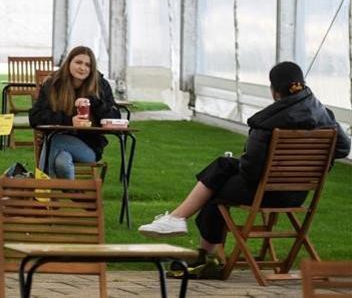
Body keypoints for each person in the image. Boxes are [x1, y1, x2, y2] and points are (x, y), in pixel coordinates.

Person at [138, 61, 350, 278]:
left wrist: (241, 162)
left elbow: (251, 172)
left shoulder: (268, 121)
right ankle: (196, 246)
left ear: (274, 91)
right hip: (297, 195)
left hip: (265, 193)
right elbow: (343, 148)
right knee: (222, 172)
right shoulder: (325, 117)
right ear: (302, 85)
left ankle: (193, 241)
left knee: (215, 185)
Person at [27, 45, 120, 179]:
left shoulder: (100, 85)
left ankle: (44, 190)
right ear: (69, 62)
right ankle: (78, 197)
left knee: (55, 140)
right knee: (62, 163)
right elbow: (35, 117)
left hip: (88, 147)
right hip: (56, 145)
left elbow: (115, 118)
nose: (82, 68)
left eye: (88, 65)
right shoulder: (53, 84)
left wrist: (94, 101)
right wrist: (69, 121)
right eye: (78, 62)